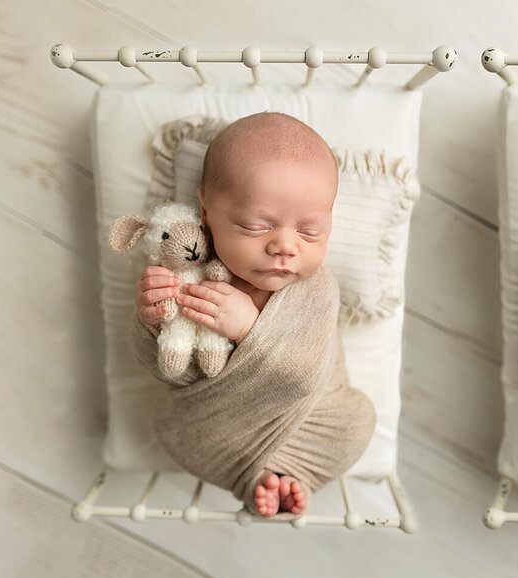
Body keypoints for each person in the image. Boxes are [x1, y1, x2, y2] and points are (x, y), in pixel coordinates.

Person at [131, 112, 374, 518]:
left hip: (311, 417)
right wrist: (151, 319)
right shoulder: (188, 273)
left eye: (310, 231)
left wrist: (248, 329)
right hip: (213, 426)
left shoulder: (315, 289)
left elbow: (304, 374)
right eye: (256, 226)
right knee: (174, 431)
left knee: (357, 420)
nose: (285, 246)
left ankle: (285, 476)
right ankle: (270, 479)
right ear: (206, 210)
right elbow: (166, 370)